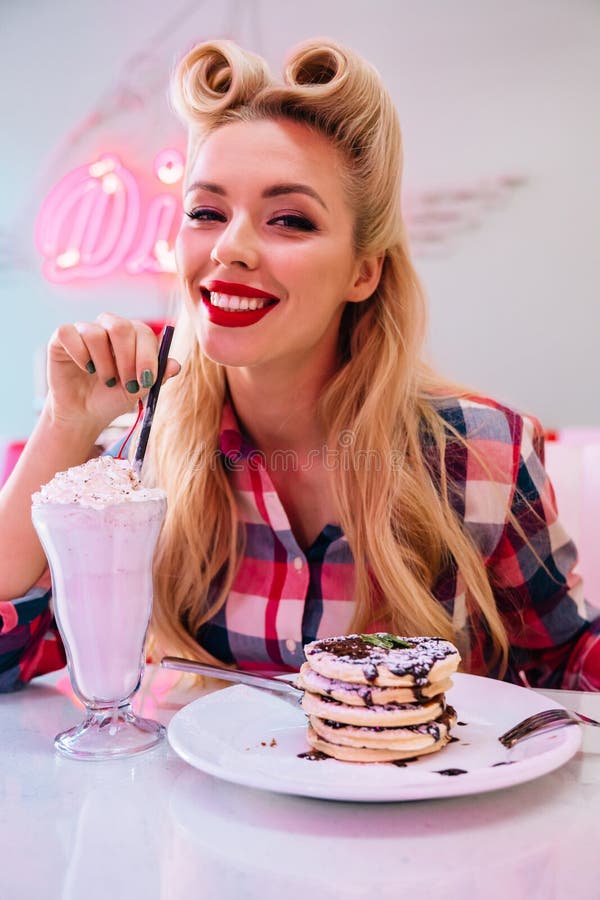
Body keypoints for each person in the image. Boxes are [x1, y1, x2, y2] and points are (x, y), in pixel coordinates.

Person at [0, 38, 598, 693]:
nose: (231, 247)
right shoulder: (139, 449)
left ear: (363, 272)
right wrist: (63, 426)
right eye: (206, 212)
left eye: (289, 220)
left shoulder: (481, 453)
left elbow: (565, 665)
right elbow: (15, 655)